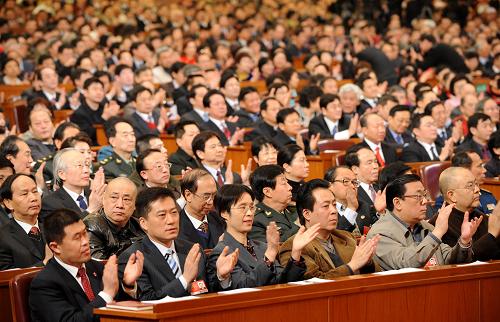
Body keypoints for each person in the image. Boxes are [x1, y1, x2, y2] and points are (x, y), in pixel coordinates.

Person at [30, 209, 144, 322]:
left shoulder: (97, 268)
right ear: (55, 247)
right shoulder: (44, 283)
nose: (85, 242)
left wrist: (127, 285)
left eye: (84, 233)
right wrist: (107, 293)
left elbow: (123, 308)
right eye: (77, 237)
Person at [207, 184, 318, 290]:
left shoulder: (262, 246)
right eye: (242, 208)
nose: (250, 213)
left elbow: (283, 283)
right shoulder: (221, 252)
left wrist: (295, 253)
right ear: (224, 213)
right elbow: (243, 288)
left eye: (251, 207)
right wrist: (268, 257)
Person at [367, 174, 481, 270]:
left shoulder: (425, 226)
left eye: (424, 195)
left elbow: (450, 261)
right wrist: (438, 232)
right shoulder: (380, 234)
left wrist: (464, 241)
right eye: (418, 196)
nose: (425, 201)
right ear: (397, 203)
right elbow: (407, 266)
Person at [118, 187, 209, 299]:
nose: (171, 221)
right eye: (162, 215)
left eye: (174, 212)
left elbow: (210, 291)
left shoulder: (192, 249)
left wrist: (223, 276)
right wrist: (184, 280)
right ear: (144, 223)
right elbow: (147, 300)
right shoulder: (133, 258)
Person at [279, 179, 380, 278]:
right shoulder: (294, 246)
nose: (334, 211)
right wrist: (352, 266)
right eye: (326, 206)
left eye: (334, 205)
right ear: (307, 214)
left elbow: (376, 276)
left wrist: (367, 262)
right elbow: (314, 284)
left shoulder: (346, 237)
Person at [431, 167, 500, 260]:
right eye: (470, 186)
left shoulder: (482, 217)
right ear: (452, 195)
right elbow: (460, 261)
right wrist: (491, 235)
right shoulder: (438, 225)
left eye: (476, 184)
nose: (477, 190)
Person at [84, 178, 144, 260]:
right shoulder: (92, 225)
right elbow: (99, 265)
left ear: (135, 205)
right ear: (103, 199)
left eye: (126, 199)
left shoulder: (139, 226)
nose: (120, 205)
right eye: (114, 197)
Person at [0, 174, 51, 269]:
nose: (33, 198)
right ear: (8, 203)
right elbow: (6, 277)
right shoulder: (3, 238)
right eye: (24, 194)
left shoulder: (52, 228)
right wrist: (45, 263)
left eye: (35, 191)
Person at [40, 148, 106, 222]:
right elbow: (67, 231)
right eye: (79, 166)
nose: (86, 171)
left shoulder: (94, 195)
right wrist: (91, 210)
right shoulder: (50, 203)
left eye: (87, 165)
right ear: (62, 174)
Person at [249, 165, 299, 243]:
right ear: (267, 192)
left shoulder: (294, 210)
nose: (290, 187)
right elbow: (267, 249)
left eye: (287, 182)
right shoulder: (255, 220)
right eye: (283, 183)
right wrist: (298, 225)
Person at [324, 166, 378, 235]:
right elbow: (334, 237)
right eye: (346, 181)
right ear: (330, 186)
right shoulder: (325, 210)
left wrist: (380, 212)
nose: (352, 186)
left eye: (354, 182)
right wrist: (351, 209)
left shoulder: (364, 206)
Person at [179, 169, 224, 249]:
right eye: (206, 197)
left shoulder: (220, 219)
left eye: (214, 195)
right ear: (188, 195)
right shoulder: (176, 226)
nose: (211, 202)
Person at [345, 146, 385, 221]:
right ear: (355, 169)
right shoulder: (351, 192)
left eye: (375, 161)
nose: (375, 166)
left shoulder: (380, 187)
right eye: (369, 163)